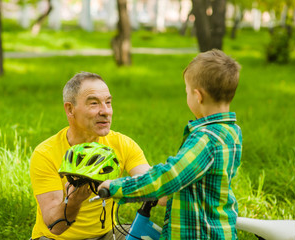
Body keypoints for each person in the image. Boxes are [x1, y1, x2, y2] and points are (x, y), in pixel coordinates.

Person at [99, 49, 242, 239]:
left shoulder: (206, 139)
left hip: (198, 233)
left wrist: (118, 187)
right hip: (217, 226)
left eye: (187, 91)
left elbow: (171, 176)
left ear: (198, 96)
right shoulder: (231, 131)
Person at [30, 72, 150, 240]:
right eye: (94, 103)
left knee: (145, 236)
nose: (106, 111)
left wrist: (179, 176)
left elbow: (153, 185)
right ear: (70, 109)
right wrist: (73, 202)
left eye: (108, 102)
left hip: (107, 235)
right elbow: (54, 225)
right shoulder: (45, 153)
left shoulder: (123, 144)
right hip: (55, 238)